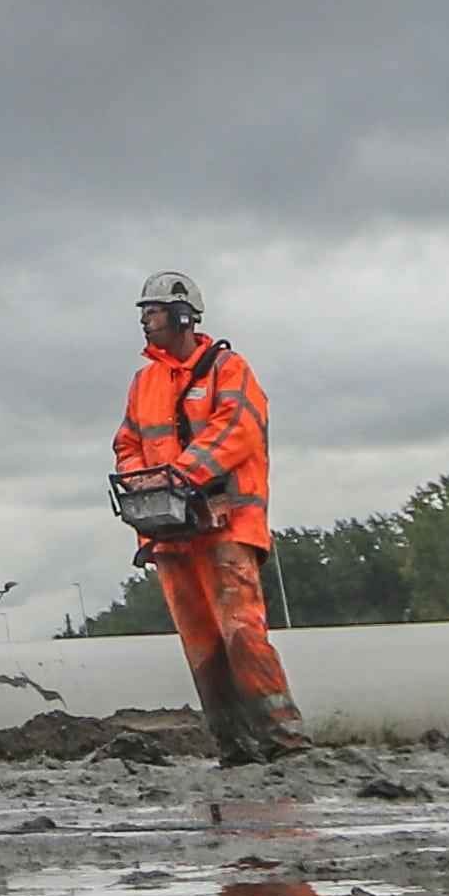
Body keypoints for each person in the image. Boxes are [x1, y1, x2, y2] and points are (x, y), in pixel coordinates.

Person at [113, 273, 307, 765]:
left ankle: (284, 742)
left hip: (226, 525)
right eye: (143, 312)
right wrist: (143, 481)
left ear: (182, 315)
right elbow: (128, 444)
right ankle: (234, 746)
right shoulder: (145, 382)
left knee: (241, 630)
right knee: (201, 642)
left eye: (152, 311)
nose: (143, 320)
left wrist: (178, 476)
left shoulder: (228, 369)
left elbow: (236, 431)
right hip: (172, 532)